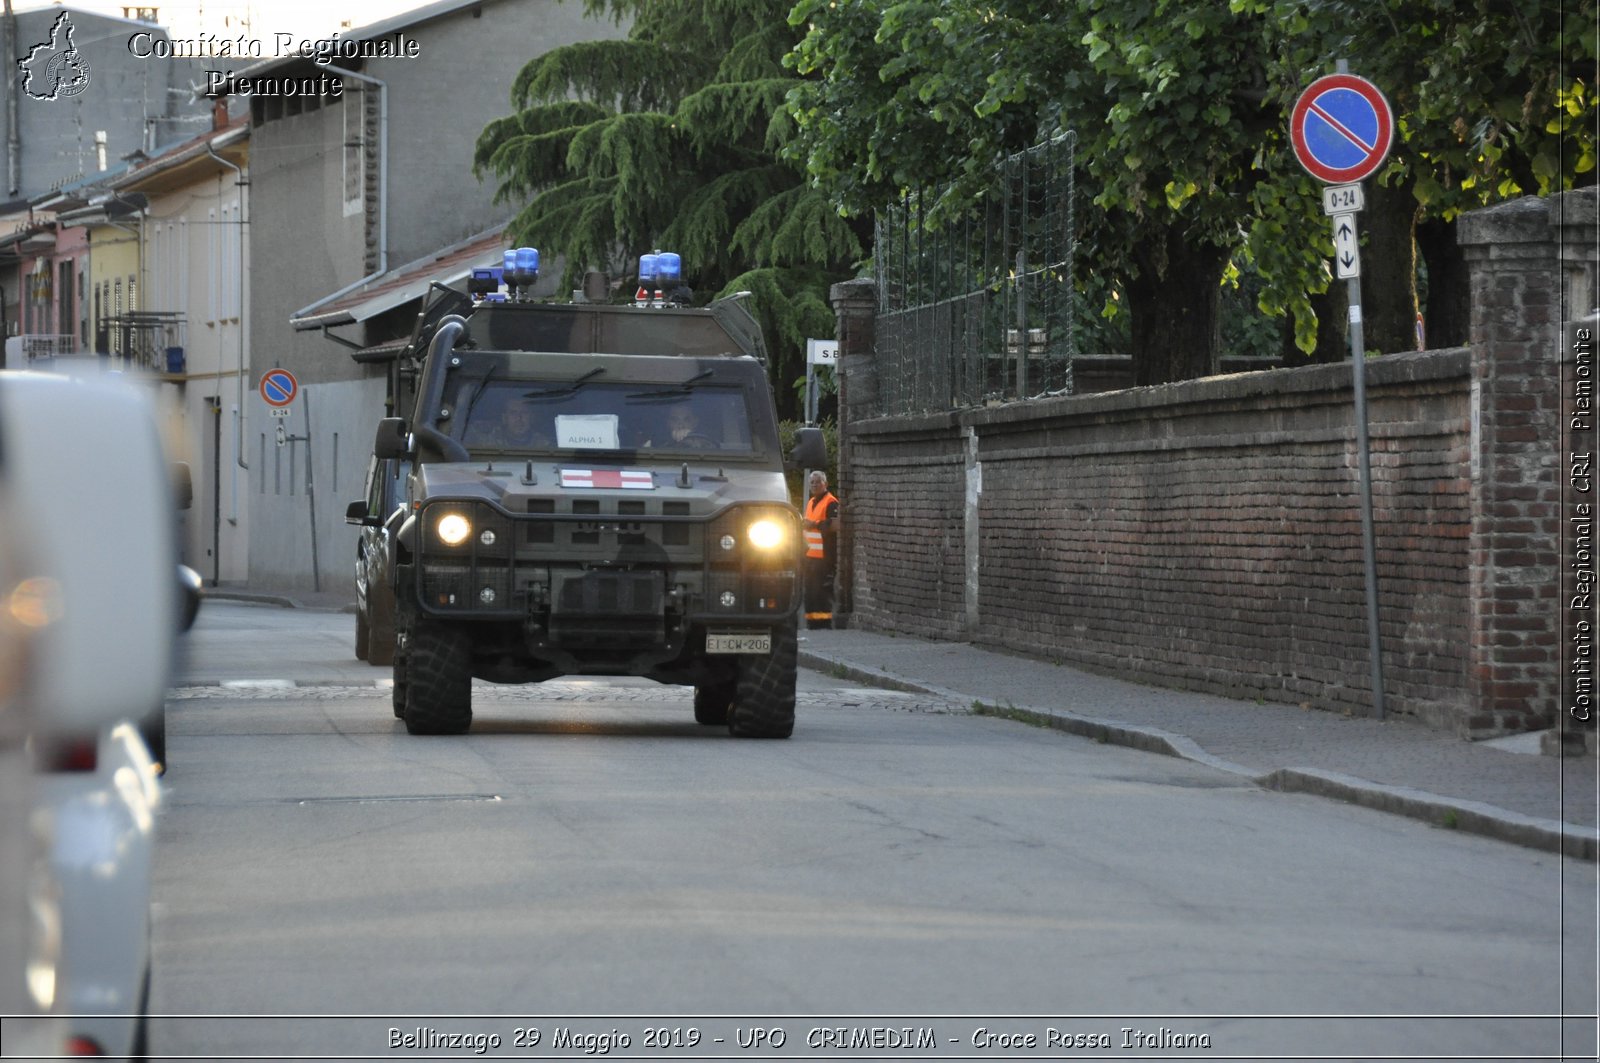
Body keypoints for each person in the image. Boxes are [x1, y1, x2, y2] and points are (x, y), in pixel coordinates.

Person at [802, 470, 840, 629]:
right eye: (812, 483)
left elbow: (833, 525)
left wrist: (814, 524)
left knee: (822, 594)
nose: (814, 485)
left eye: (818, 482)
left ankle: (823, 625)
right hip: (810, 557)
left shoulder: (831, 502)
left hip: (824, 557)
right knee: (810, 593)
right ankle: (812, 624)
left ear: (825, 484)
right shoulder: (811, 502)